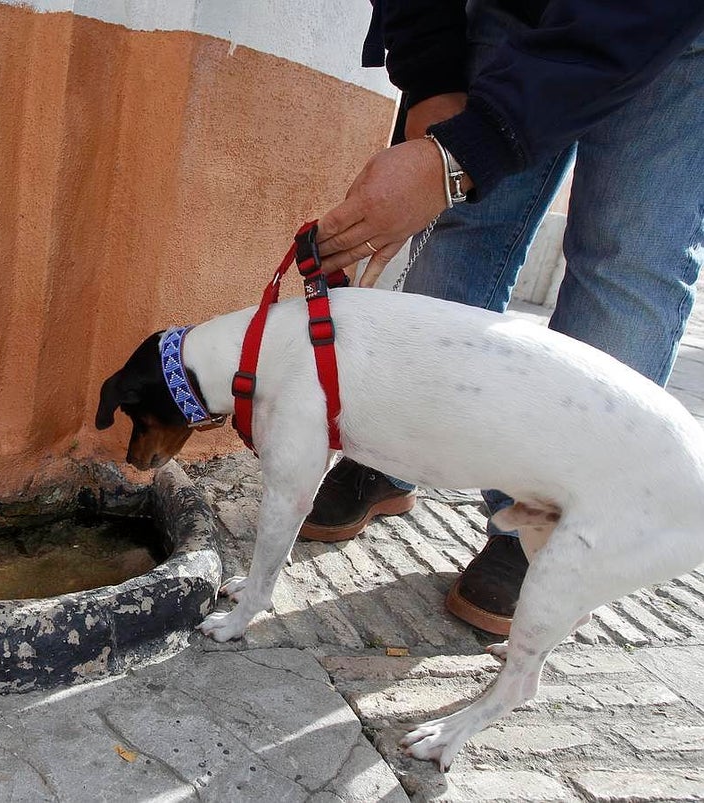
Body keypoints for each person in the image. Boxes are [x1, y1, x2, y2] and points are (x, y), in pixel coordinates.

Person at [302, 0, 704, 635]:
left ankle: (551, 517)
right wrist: (431, 79)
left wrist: (470, 149)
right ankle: (396, 452)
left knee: (628, 260)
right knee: (467, 221)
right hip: (509, 11)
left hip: (673, 32)